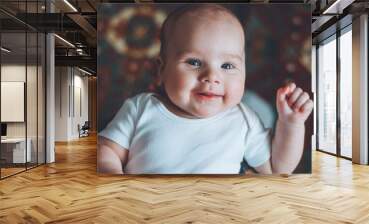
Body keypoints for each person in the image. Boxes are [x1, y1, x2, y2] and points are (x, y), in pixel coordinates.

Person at [97, 4, 313, 174]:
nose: (211, 77)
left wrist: (291, 124)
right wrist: (112, 173)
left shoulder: (244, 120)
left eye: (227, 66)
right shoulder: (141, 108)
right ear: (161, 69)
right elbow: (108, 150)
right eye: (194, 62)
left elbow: (277, 169)